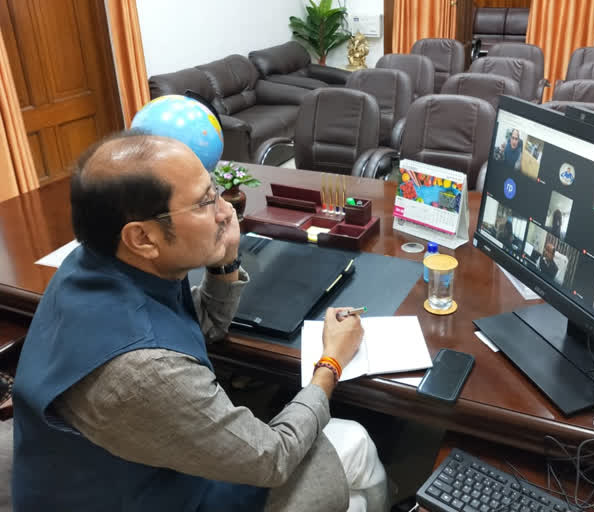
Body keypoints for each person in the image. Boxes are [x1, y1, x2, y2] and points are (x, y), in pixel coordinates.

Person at [12, 131, 388, 512]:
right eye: (205, 203)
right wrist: (331, 362)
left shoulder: (99, 262)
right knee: (353, 441)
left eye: (217, 192)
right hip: (145, 495)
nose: (226, 212)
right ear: (142, 237)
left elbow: (201, 326)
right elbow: (272, 458)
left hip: (105, 469)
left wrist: (224, 258)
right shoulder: (145, 371)